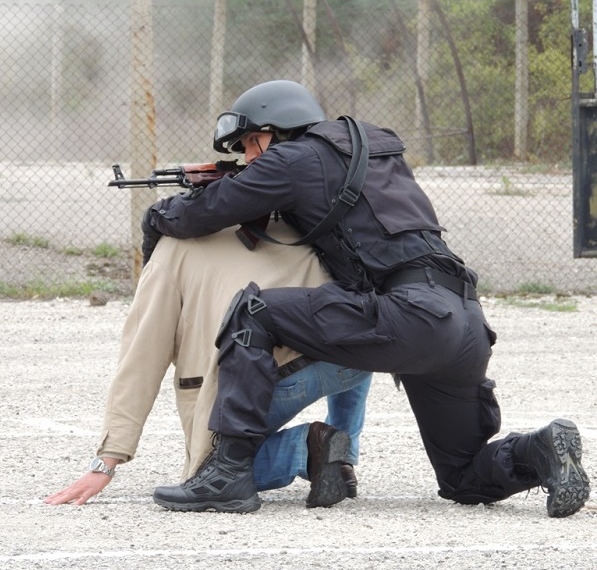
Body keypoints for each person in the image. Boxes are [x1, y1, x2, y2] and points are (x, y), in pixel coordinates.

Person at [143, 79, 590, 518]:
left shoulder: (292, 159)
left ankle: (228, 473)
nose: (248, 158)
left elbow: (203, 213)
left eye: (249, 144)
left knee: (254, 311)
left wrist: (156, 216)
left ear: (273, 130)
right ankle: (542, 448)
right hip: (465, 322)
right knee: (463, 478)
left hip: (411, 317)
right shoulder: (370, 148)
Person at [44, 220, 372, 511]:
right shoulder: (289, 218)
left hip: (266, 375)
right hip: (352, 360)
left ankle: (309, 449)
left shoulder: (170, 252)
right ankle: (345, 457)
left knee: (213, 474)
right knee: (345, 333)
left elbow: (140, 361)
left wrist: (107, 460)